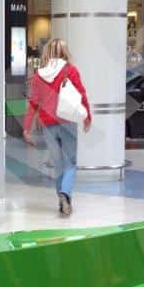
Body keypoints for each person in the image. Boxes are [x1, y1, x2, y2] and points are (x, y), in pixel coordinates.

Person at [23, 38, 92, 217]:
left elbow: (33, 104)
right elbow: (81, 93)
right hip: (67, 122)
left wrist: (26, 127)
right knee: (71, 162)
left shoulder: (39, 74)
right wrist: (87, 116)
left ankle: (62, 202)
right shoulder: (71, 70)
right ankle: (66, 194)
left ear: (47, 53)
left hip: (47, 125)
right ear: (65, 52)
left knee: (58, 164)